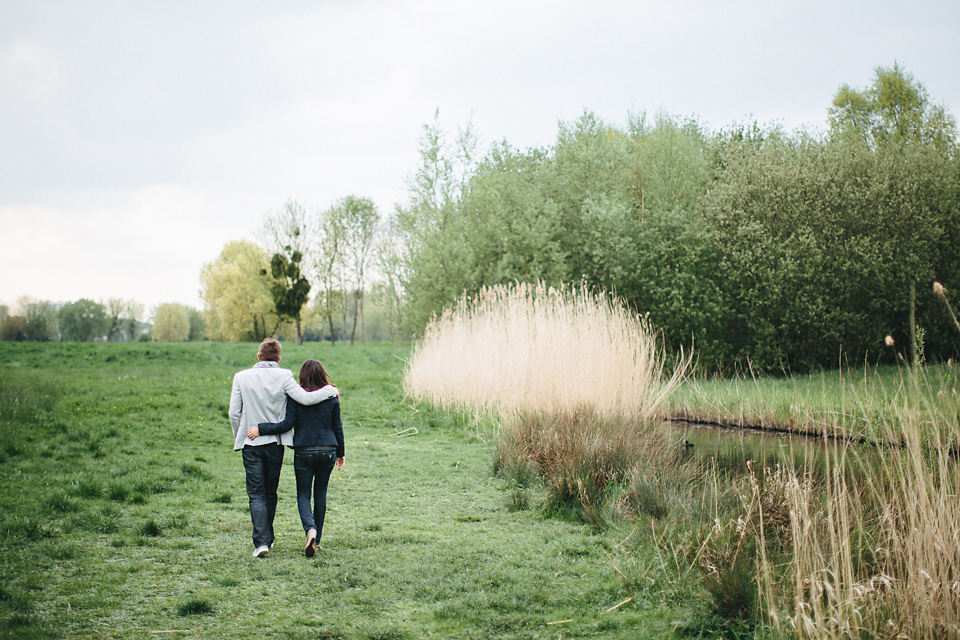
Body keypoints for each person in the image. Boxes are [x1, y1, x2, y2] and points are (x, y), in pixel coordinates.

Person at [229, 339, 338, 558]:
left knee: (256, 494)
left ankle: (262, 542)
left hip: (251, 443)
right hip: (275, 444)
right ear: (278, 358)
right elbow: (306, 399)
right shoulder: (284, 376)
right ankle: (267, 538)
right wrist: (330, 391)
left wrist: (239, 435)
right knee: (270, 492)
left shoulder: (241, 377)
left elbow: (234, 413)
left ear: (258, 356)